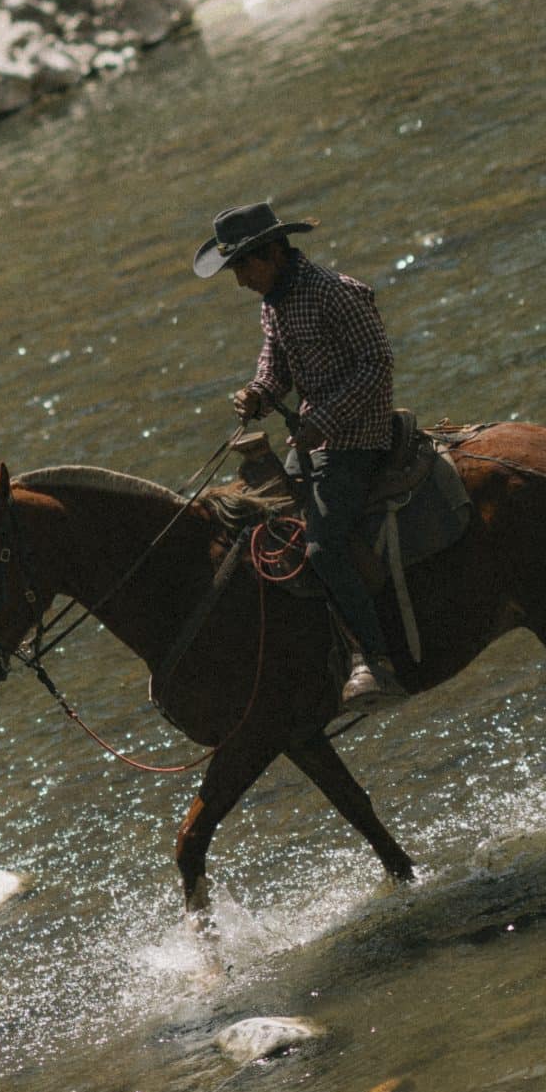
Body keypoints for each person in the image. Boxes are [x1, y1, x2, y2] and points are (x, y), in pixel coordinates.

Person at [193, 201, 406, 712]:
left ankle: (374, 659)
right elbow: (275, 366)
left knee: (323, 546)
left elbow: (377, 366)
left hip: (357, 438)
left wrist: (323, 423)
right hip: (314, 441)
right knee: (266, 528)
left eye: (244, 266)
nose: (240, 280)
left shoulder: (336, 293)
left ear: (272, 253)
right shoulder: (275, 300)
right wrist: (258, 394)